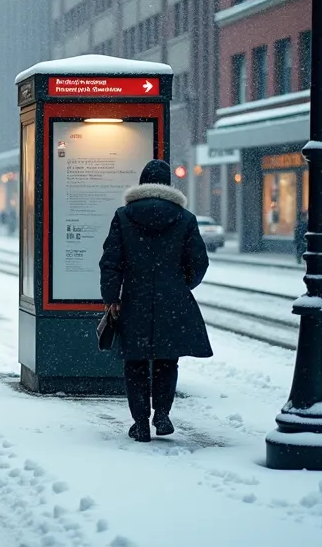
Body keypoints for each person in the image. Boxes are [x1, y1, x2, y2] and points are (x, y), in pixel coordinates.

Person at [99, 160, 212, 443]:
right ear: (168, 185)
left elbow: (111, 262)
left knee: (135, 362)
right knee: (166, 360)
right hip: (171, 300)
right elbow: (199, 262)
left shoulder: (124, 216)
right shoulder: (185, 218)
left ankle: (140, 423)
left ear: (142, 182)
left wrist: (112, 297)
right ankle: (161, 414)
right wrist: (179, 284)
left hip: (134, 299)